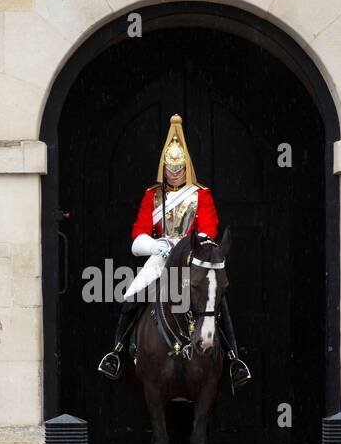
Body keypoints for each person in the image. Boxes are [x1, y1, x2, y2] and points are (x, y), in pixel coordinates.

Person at [97, 114, 250, 387]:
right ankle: (117, 353)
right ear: (164, 167)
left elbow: (209, 229)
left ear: (186, 167)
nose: (174, 174)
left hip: (193, 259)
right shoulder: (151, 196)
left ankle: (233, 359)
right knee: (131, 297)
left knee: (218, 301)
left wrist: (189, 245)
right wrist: (156, 244)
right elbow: (138, 231)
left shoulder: (200, 194)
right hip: (161, 259)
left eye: (179, 169)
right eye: (170, 168)